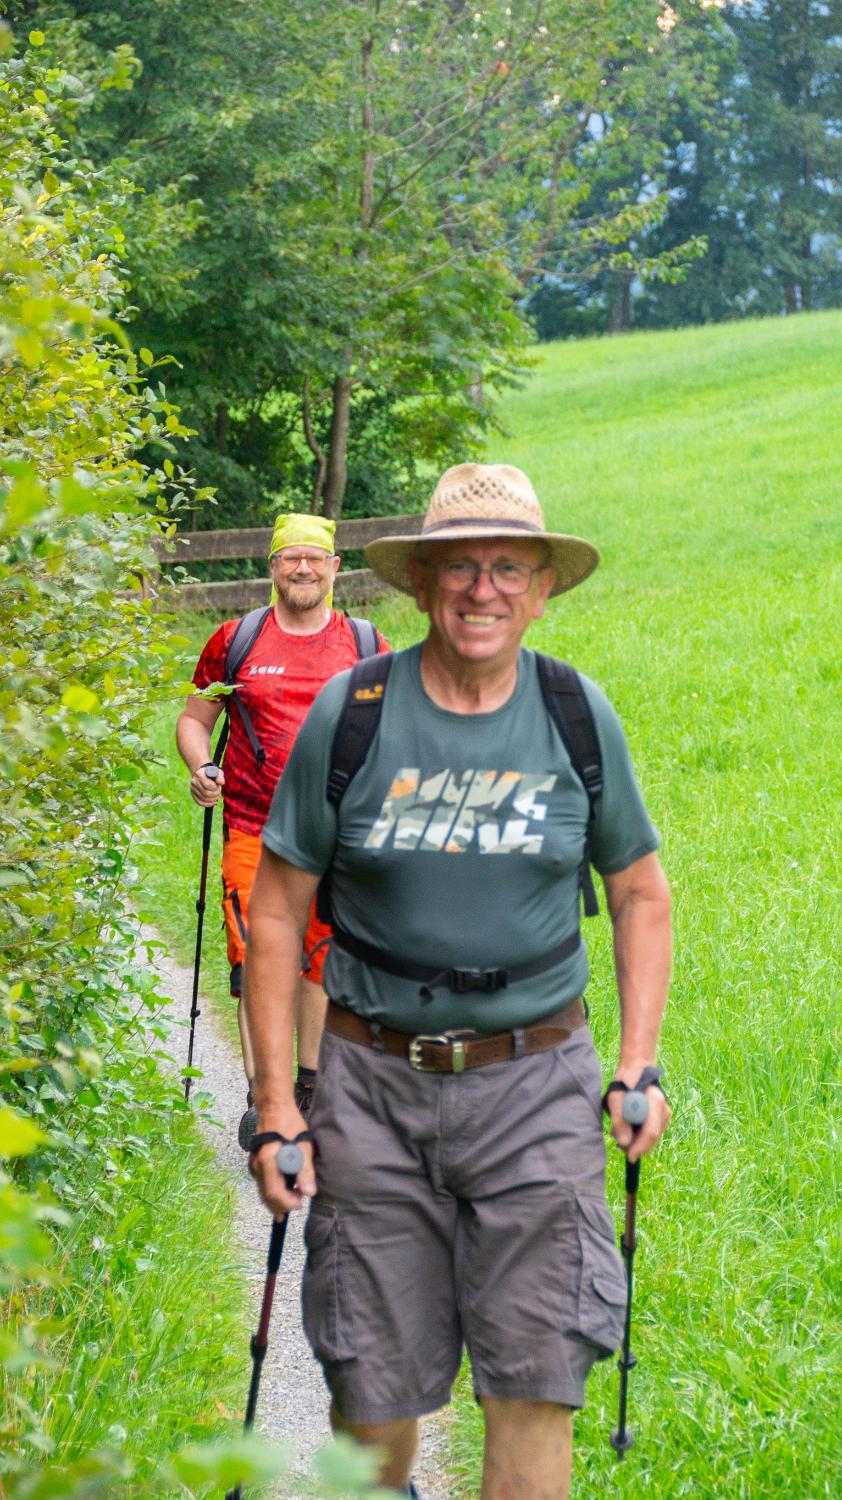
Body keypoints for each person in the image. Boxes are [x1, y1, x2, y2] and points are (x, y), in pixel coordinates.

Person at [245, 464, 672, 1499]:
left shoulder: (574, 714)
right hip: (371, 1092)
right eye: (460, 568)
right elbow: (277, 911)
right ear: (422, 584)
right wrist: (275, 1107)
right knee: (370, 1389)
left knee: (536, 1377)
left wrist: (636, 1065)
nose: (483, 590)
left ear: (540, 589)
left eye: (508, 568)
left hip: (537, 1087)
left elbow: (639, 893)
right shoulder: (353, 712)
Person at [175, 513, 389, 1146]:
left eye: (314, 558)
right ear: (272, 567)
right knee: (254, 960)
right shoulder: (236, 641)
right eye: (291, 557)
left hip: (335, 837)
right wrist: (202, 766)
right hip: (253, 828)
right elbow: (194, 720)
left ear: (334, 568)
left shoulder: (366, 645)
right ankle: (264, 1098)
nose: (302, 568)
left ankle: (310, 1090)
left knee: (321, 960)